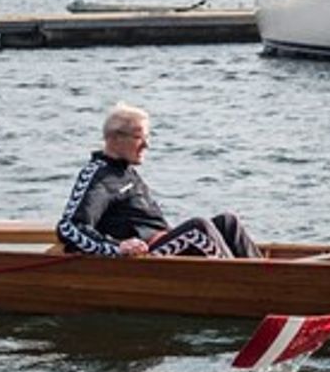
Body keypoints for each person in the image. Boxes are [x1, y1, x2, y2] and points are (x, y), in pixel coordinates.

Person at [57, 102, 260, 258]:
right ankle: (254, 283)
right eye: (139, 138)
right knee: (199, 229)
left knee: (228, 222)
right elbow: (70, 227)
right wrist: (116, 247)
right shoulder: (98, 176)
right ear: (115, 138)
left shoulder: (124, 170)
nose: (147, 145)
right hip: (144, 256)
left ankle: (263, 272)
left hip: (163, 243)